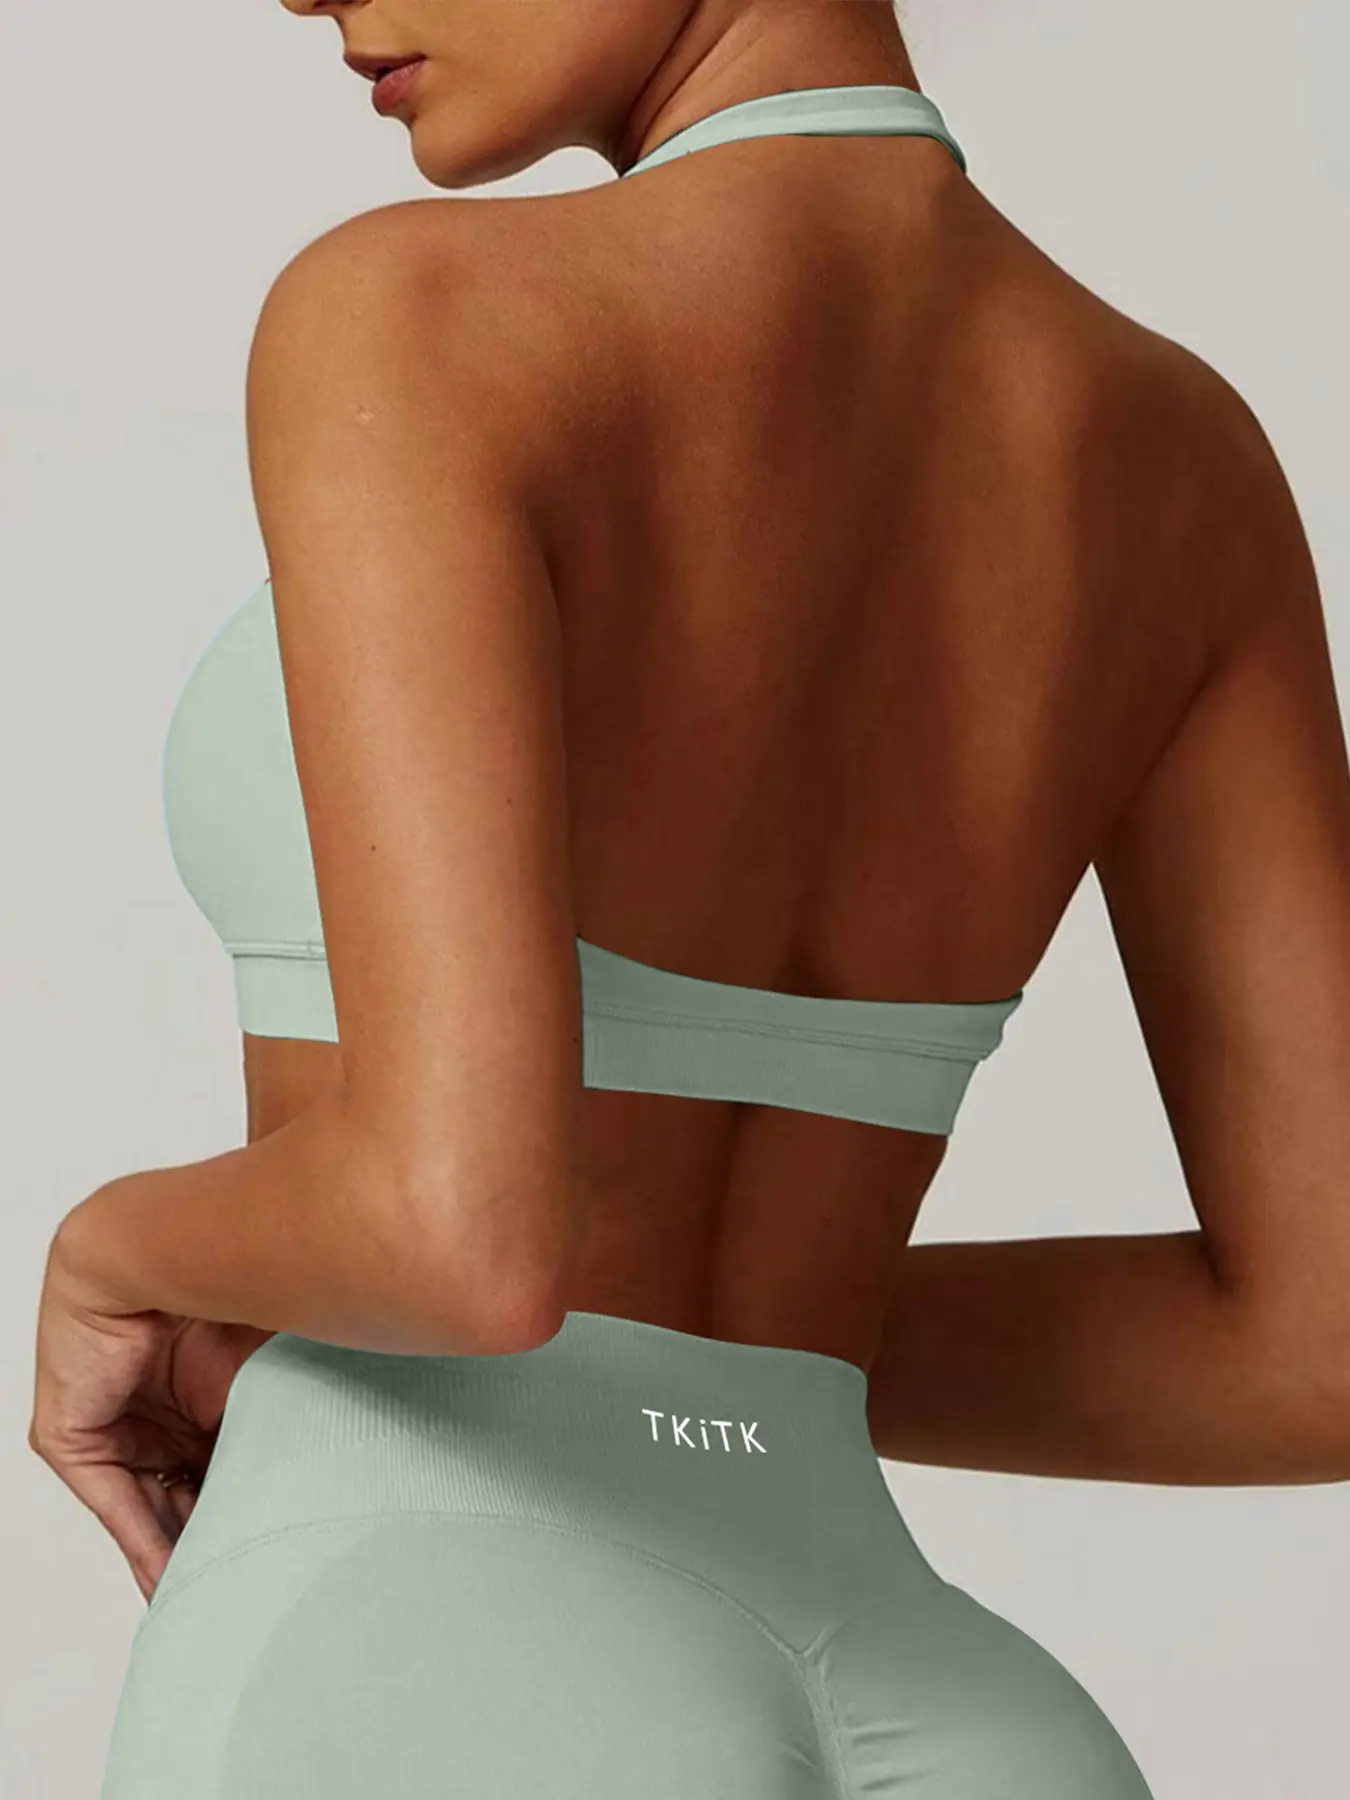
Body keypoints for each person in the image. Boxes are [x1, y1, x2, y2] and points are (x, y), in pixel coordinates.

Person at [29, 2, 1350, 1794]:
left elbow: (459, 1230)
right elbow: (1310, 1351)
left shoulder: (418, 314)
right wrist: (766, 1351)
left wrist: (105, 1259)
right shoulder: (1181, 453)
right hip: (955, 1705)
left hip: (427, 1641)